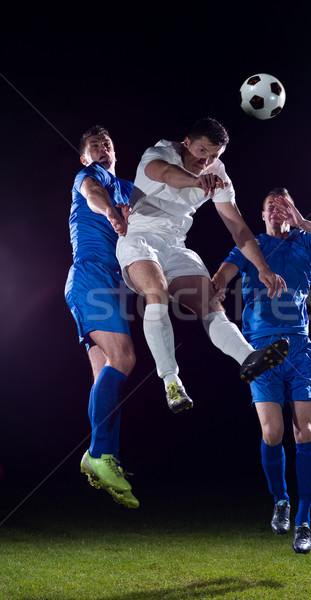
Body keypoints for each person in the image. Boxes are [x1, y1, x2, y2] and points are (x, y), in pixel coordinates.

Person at [212, 187, 311, 554]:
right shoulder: (251, 245)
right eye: (270, 205)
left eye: (283, 204)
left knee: (304, 432)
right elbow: (223, 273)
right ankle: (280, 500)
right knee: (273, 433)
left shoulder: (305, 242)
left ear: (291, 209)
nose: (277, 209)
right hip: (260, 351)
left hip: (298, 348)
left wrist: (303, 221)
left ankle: (304, 522)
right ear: (261, 216)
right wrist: (216, 288)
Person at [116, 118, 289, 412]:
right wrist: (196, 181)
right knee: (156, 293)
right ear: (187, 142)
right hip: (139, 237)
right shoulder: (158, 153)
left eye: (214, 156)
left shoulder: (217, 174)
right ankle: (171, 382)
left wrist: (262, 267)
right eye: (201, 151)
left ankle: (248, 357)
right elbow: (167, 174)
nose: (205, 161)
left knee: (210, 303)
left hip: (176, 245)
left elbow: (239, 228)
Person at [65, 125, 139, 509]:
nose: (102, 148)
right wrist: (110, 209)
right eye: (94, 145)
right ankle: (99, 452)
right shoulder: (90, 177)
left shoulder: (129, 187)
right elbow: (94, 197)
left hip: (112, 284)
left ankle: (102, 457)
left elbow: (167, 206)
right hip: (90, 276)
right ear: (85, 157)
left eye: (107, 143)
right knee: (125, 357)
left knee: (105, 379)